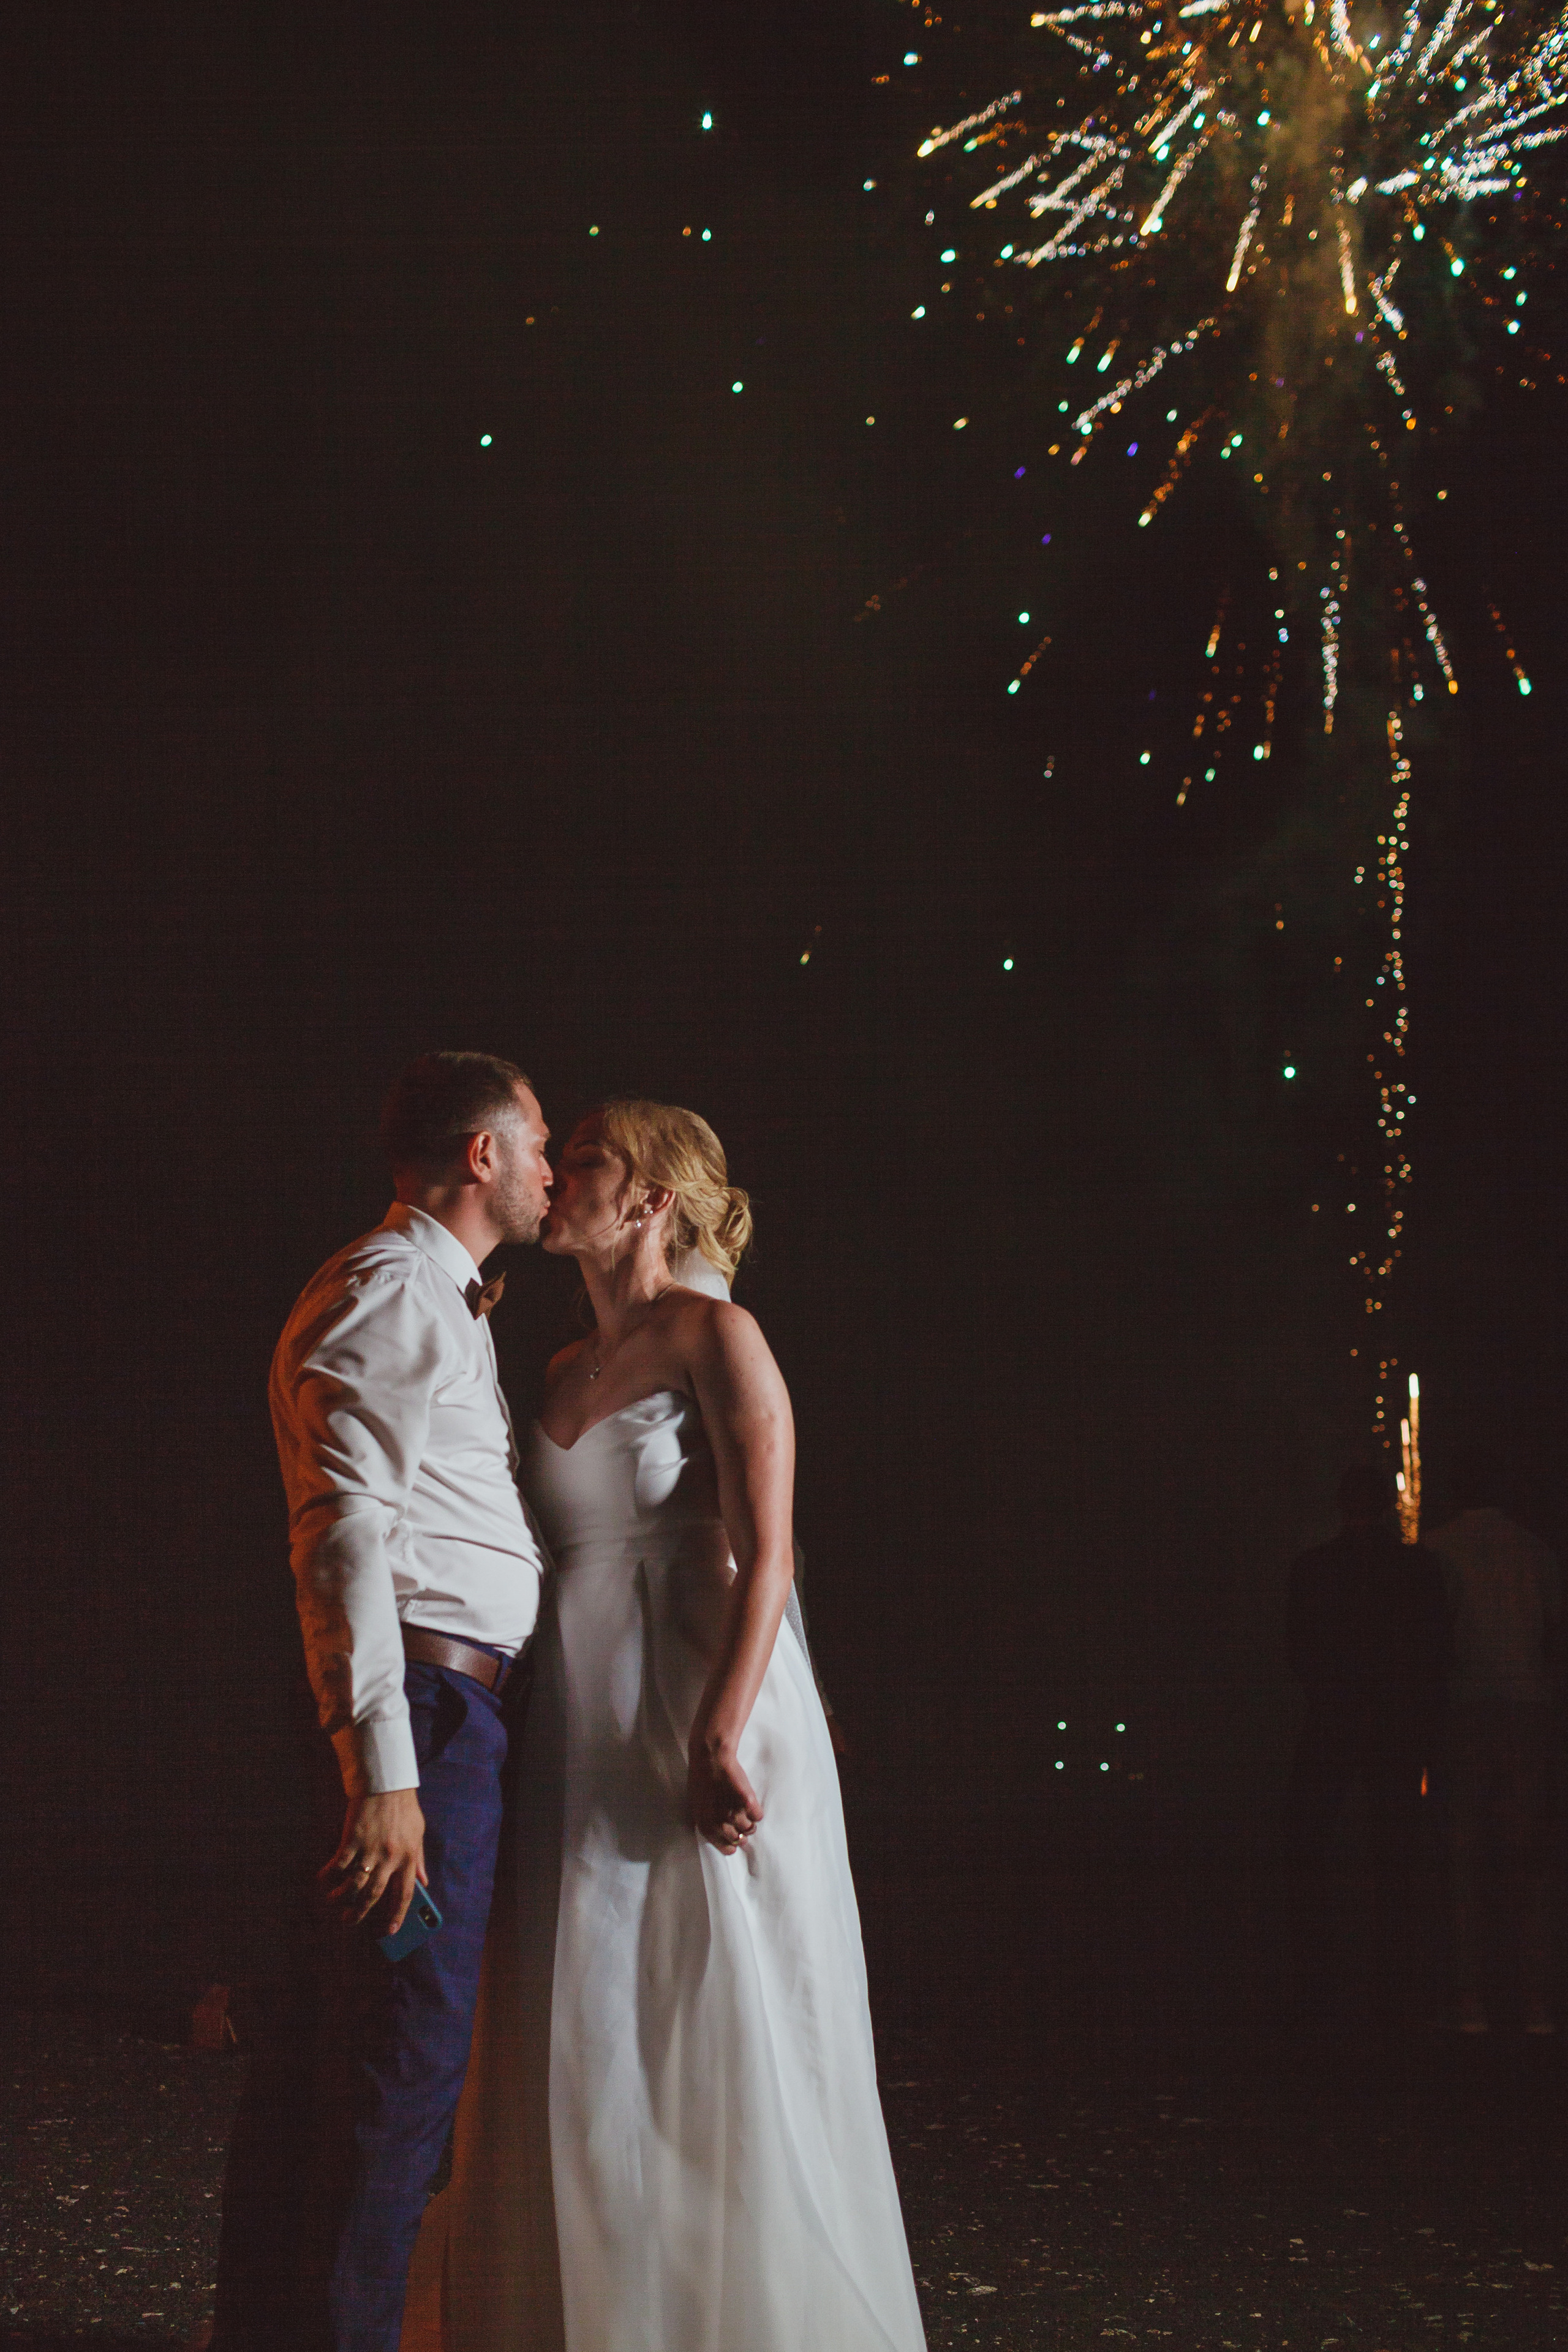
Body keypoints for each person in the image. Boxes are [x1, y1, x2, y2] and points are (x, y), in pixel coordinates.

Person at [401, 1099, 925, 2352]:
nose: (554, 1176)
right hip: (578, 1702)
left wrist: (719, 1732)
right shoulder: (551, 1367)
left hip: (698, 1688)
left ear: (649, 1200)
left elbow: (770, 1553)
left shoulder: (719, 1334)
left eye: (582, 1159)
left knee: (703, 1998)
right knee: (581, 1999)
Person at [210, 1052, 555, 2352]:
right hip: (423, 1721)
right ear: (481, 1153)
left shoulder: (428, 1294)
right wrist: (387, 1771)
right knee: (399, 2061)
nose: (549, 1168)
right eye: (537, 1142)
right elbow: (344, 1535)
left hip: (435, 1714)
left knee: (338, 2054)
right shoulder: (392, 1288)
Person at [1283, 1462, 1447, 2018]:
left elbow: (1297, 1647)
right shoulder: (1417, 1568)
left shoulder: (1313, 1567)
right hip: (1394, 1722)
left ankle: (1313, 1975)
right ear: (1385, 1504)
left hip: (1334, 1717)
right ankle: (1394, 1980)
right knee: (1394, 1851)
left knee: (1308, 1845)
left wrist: (1329, 1692)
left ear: (1340, 1503)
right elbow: (1433, 1649)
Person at [1426, 1457, 1562, 2035]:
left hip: (1465, 1706)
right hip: (1528, 1707)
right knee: (1527, 1854)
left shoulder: (1437, 1550)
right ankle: (1535, 2000)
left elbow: (1430, 1638)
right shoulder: (1535, 1551)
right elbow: (1554, 1635)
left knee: (1464, 1852)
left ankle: (1469, 1998)